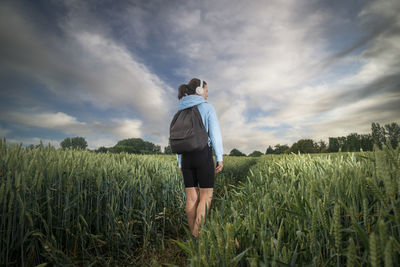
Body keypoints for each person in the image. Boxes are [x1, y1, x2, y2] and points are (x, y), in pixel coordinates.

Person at [176, 78, 223, 238]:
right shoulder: (207, 108)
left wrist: (180, 162)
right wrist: (219, 157)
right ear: (199, 91)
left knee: (191, 198)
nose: (207, 94)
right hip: (203, 154)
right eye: (206, 91)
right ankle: (197, 236)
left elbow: (177, 138)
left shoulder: (180, 111)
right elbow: (215, 134)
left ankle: (192, 236)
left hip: (186, 157)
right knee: (206, 196)